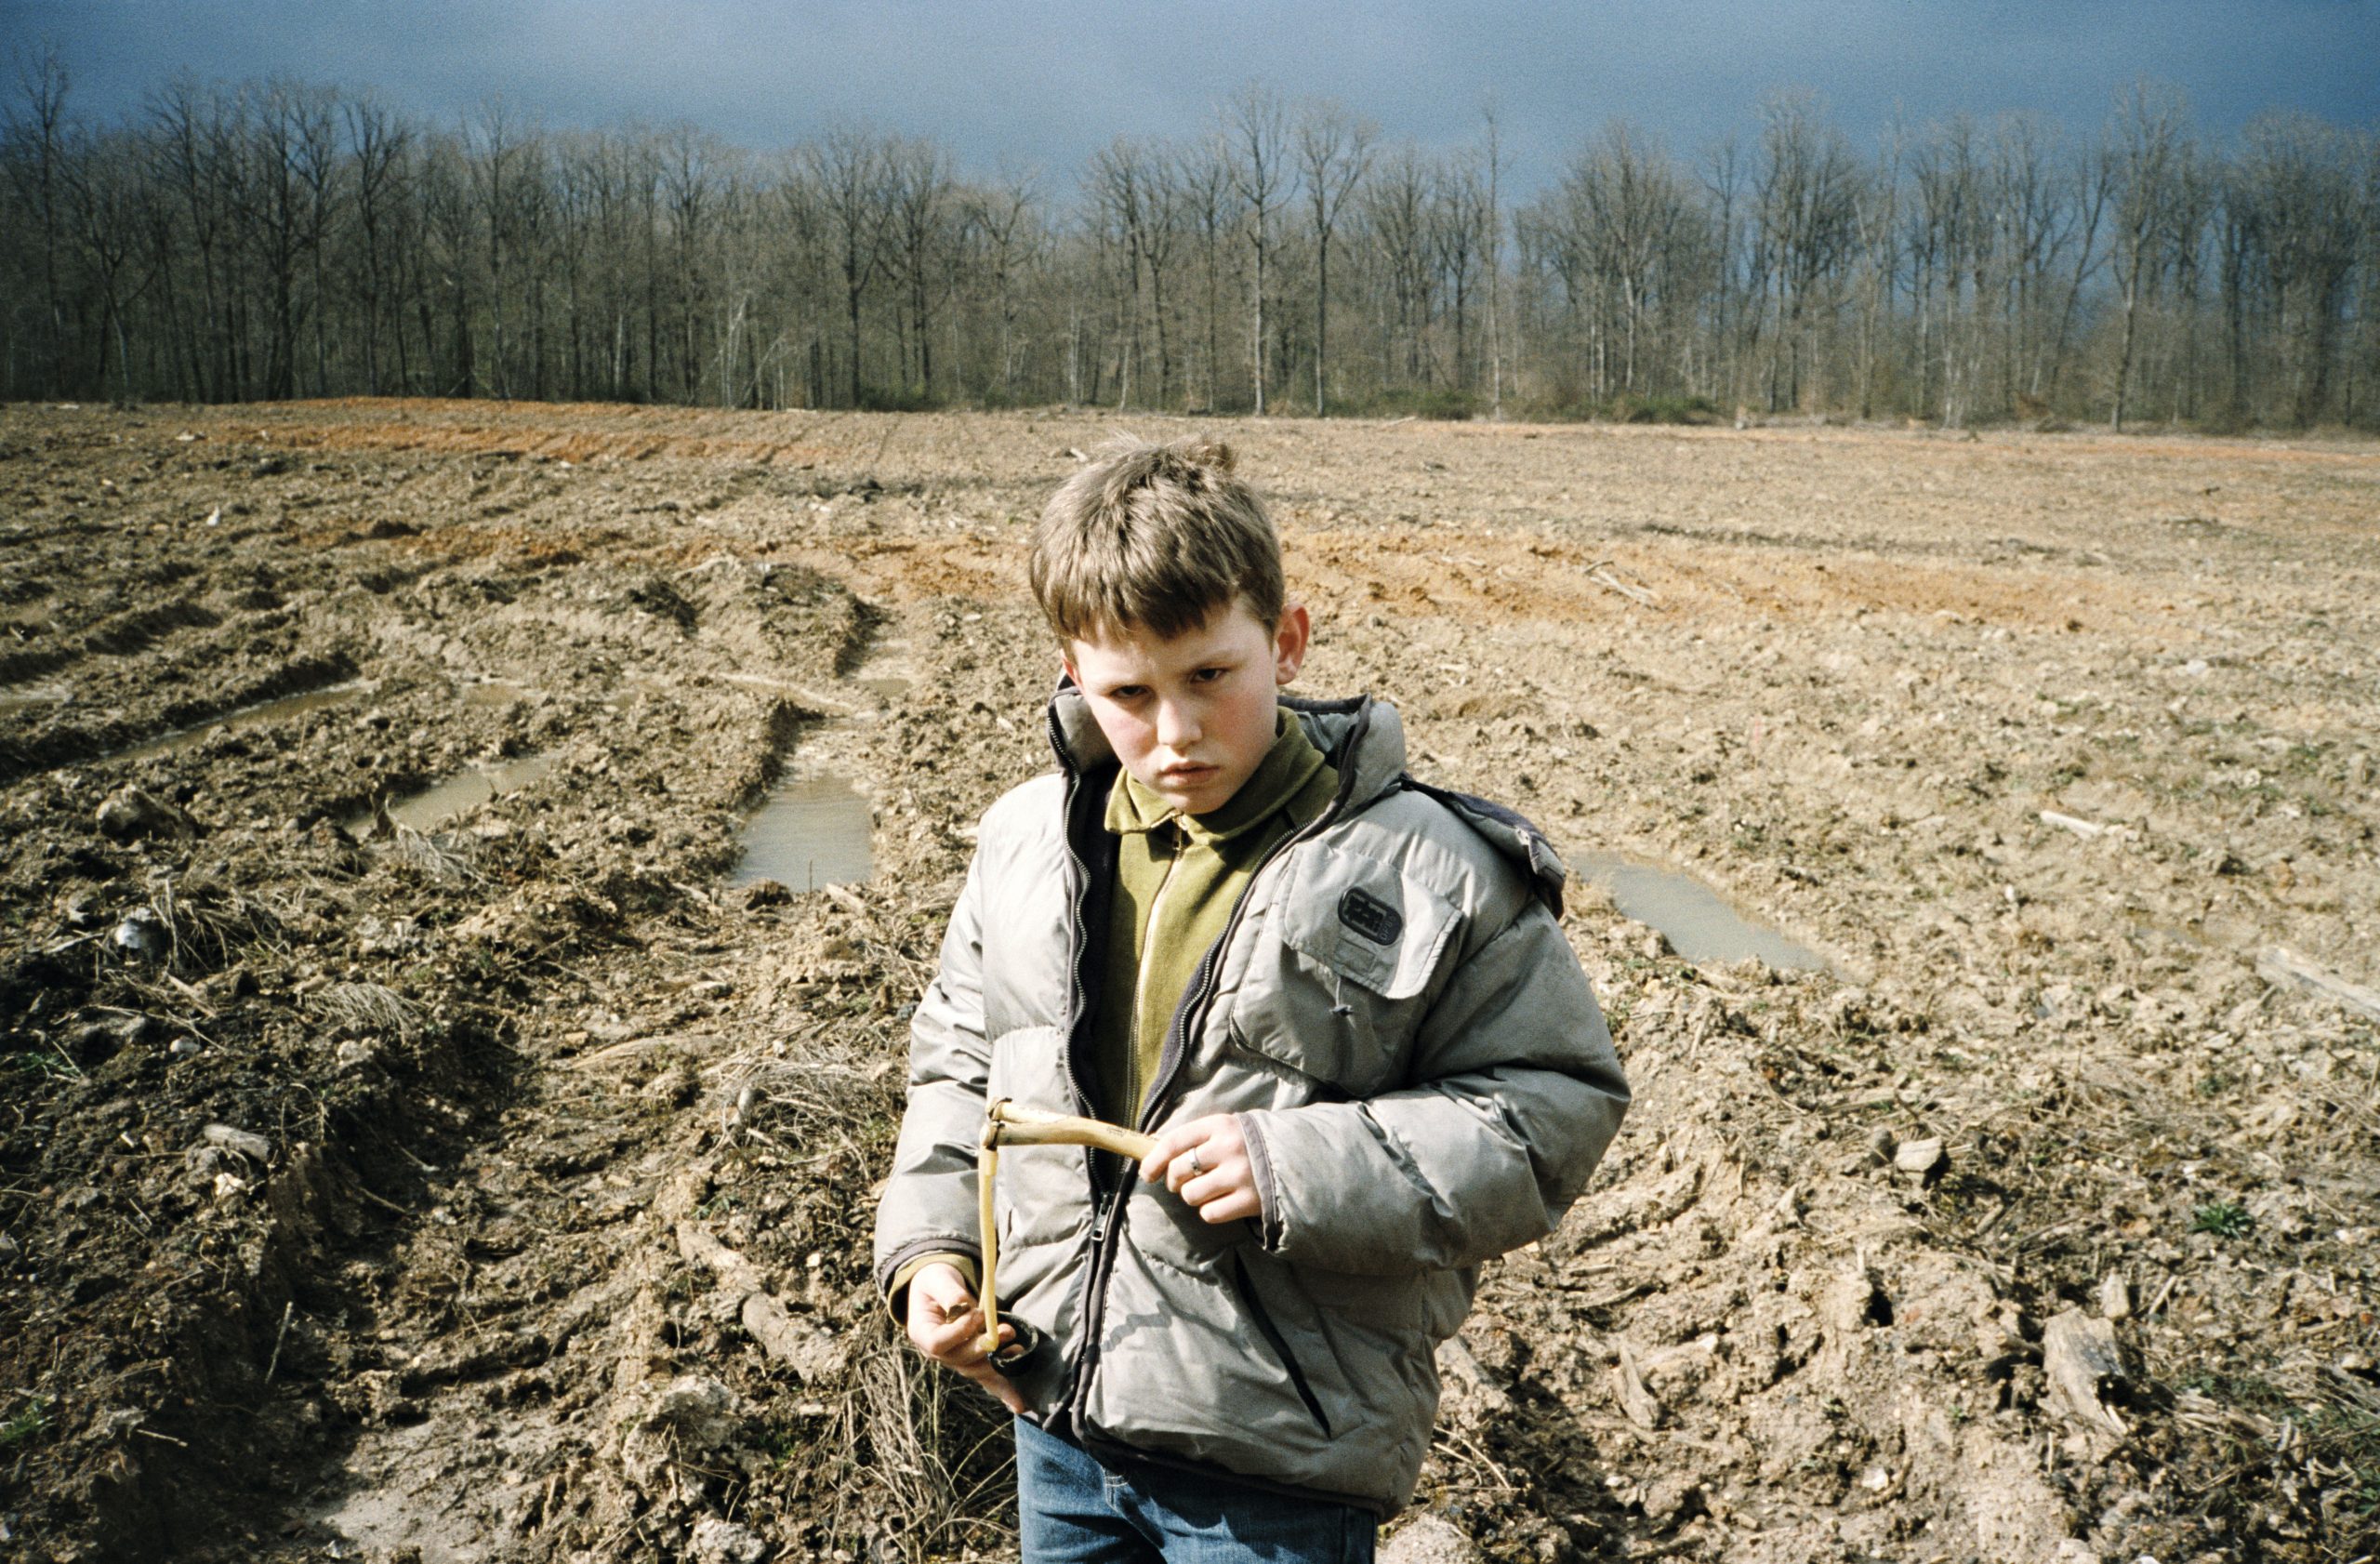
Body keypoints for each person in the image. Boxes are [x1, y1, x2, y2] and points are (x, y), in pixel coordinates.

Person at [872, 436, 1629, 1562]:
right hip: (1056, 1415)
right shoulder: (1026, 839)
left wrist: (1296, 1164)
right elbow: (959, 1066)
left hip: (1279, 1456)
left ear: (1285, 639)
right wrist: (933, 1253)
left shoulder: (1430, 865)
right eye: (1128, 693)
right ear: (1073, 675)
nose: (1172, 734)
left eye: (1209, 677)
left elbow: (1551, 1110)